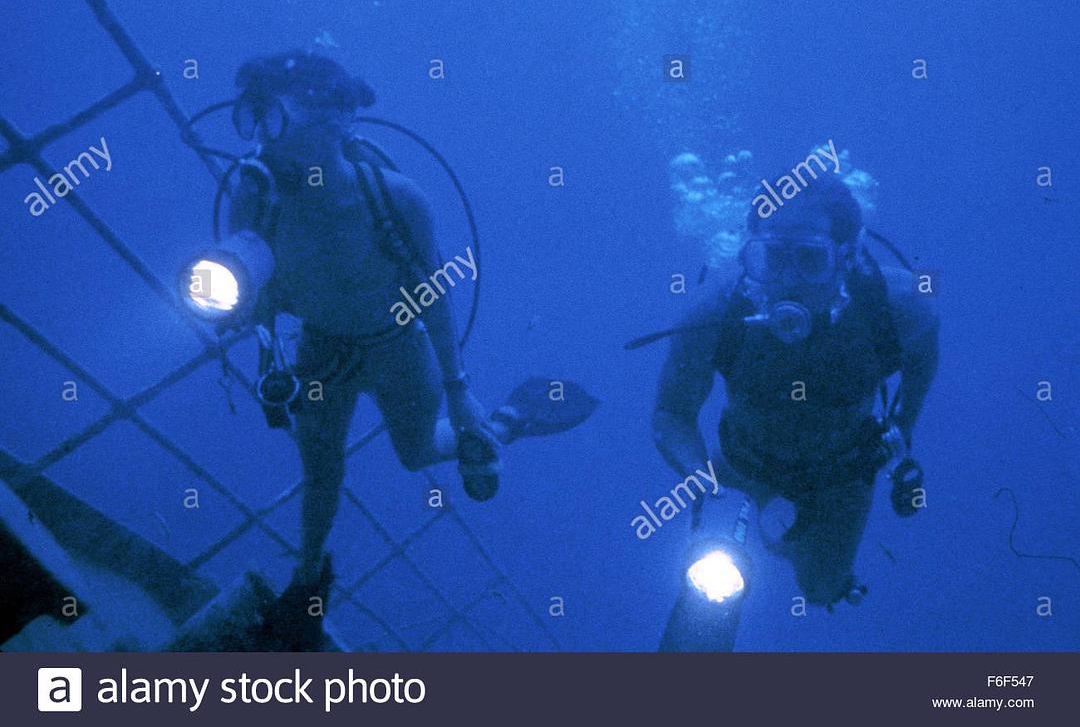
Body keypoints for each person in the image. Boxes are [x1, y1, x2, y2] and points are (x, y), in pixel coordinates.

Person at [221, 52, 596, 644]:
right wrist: (260, 343)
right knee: (321, 470)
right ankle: (308, 580)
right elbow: (257, 284)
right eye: (256, 121)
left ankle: (503, 421)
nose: (265, 140)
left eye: (276, 119)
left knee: (417, 453)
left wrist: (459, 391)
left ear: (335, 119)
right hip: (321, 348)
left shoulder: (394, 198)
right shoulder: (255, 195)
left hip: (398, 346)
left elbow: (434, 295)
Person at [651, 169, 938, 632]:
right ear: (749, 255)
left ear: (846, 257)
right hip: (740, 468)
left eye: (809, 259)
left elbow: (922, 356)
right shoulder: (713, 314)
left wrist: (903, 430)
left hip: (842, 476)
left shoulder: (899, 308)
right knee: (707, 581)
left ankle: (795, 550)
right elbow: (671, 414)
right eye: (770, 258)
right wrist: (705, 484)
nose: (787, 281)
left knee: (820, 589)